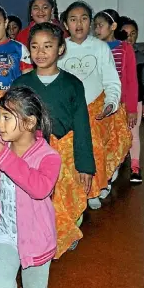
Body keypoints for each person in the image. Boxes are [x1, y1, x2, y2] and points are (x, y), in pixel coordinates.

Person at [11, 22, 95, 258]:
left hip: (63, 152)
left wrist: (85, 165)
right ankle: (34, 241)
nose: (41, 52)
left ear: (60, 49)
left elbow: (81, 125)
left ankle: (65, 233)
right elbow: (12, 123)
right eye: (35, 46)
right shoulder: (20, 84)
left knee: (65, 195)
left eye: (48, 46)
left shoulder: (73, 84)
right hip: (29, 152)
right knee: (32, 199)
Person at [0, 86, 61, 288]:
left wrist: (7, 159)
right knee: (0, 286)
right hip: (5, 231)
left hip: (35, 236)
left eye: (7, 118)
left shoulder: (49, 157)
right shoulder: (0, 144)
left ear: (29, 122)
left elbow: (40, 189)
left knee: (33, 287)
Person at [58, 1, 132, 210]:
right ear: (65, 23)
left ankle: (94, 189)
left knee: (95, 149)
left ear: (90, 23)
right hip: (70, 110)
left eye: (83, 19)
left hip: (96, 109)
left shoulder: (100, 47)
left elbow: (111, 81)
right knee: (71, 152)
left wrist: (110, 103)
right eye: (73, 19)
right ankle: (77, 193)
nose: (78, 24)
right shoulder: (60, 48)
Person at [94, 9, 139, 190]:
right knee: (100, 142)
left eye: (100, 25)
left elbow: (130, 80)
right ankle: (102, 180)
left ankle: (111, 174)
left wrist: (131, 108)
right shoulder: (94, 47)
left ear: (112, 27)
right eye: (95, 26)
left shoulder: (124, 48)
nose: (97, 29)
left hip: (119, 104)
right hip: (98, 104)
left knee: (119, 141)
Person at [120, 16, 144, 183]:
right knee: (117, 134)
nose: (129, 37)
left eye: (133, 34)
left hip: (135, 100)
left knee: (134, 134)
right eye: (125, 33)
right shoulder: (112, 52)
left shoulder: (141, 56)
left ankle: (135, 167)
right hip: (116, 101)